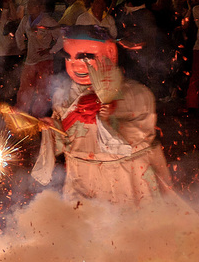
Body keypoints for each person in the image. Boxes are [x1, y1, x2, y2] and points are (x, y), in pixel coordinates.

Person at [32, 26, 178, 205]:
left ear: (110, 54)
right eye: (68, 58)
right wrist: (52, 128)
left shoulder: (137, 94)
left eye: (85, 58)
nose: (75, 65)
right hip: (81, 174)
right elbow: (66, 141)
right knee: (84, 224)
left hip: (125, 175)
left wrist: (108, 120)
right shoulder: (63, 96)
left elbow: (143, 137)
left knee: (128, 224)